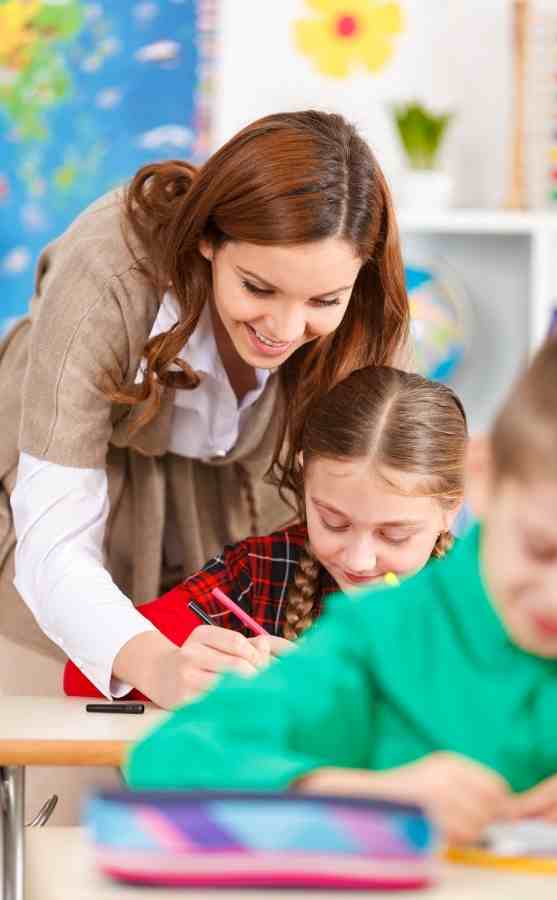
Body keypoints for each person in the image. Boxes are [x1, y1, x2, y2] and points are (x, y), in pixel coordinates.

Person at [126, 320, 557, 846]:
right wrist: (356, 794)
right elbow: (167, 760)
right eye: (541, 550)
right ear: (483, 480)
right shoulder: (377, 637)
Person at [0, 110, 410, 713]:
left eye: (324, 300)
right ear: (208, 238)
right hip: (49, 541)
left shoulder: (370, 317)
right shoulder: (109, 272)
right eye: (259, 288)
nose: (285, 329)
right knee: (62, 760)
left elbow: (396, 515)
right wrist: (158, 665)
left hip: (233, 537)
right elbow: (53, 540)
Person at [63, 366, 467, 700]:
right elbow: (81, 675)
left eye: (394, 535)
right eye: (334, 522)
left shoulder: (492, 599)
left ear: (451, 509)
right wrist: (175, 671)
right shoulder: (259, 572)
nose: (359, 560)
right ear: (305, 479)